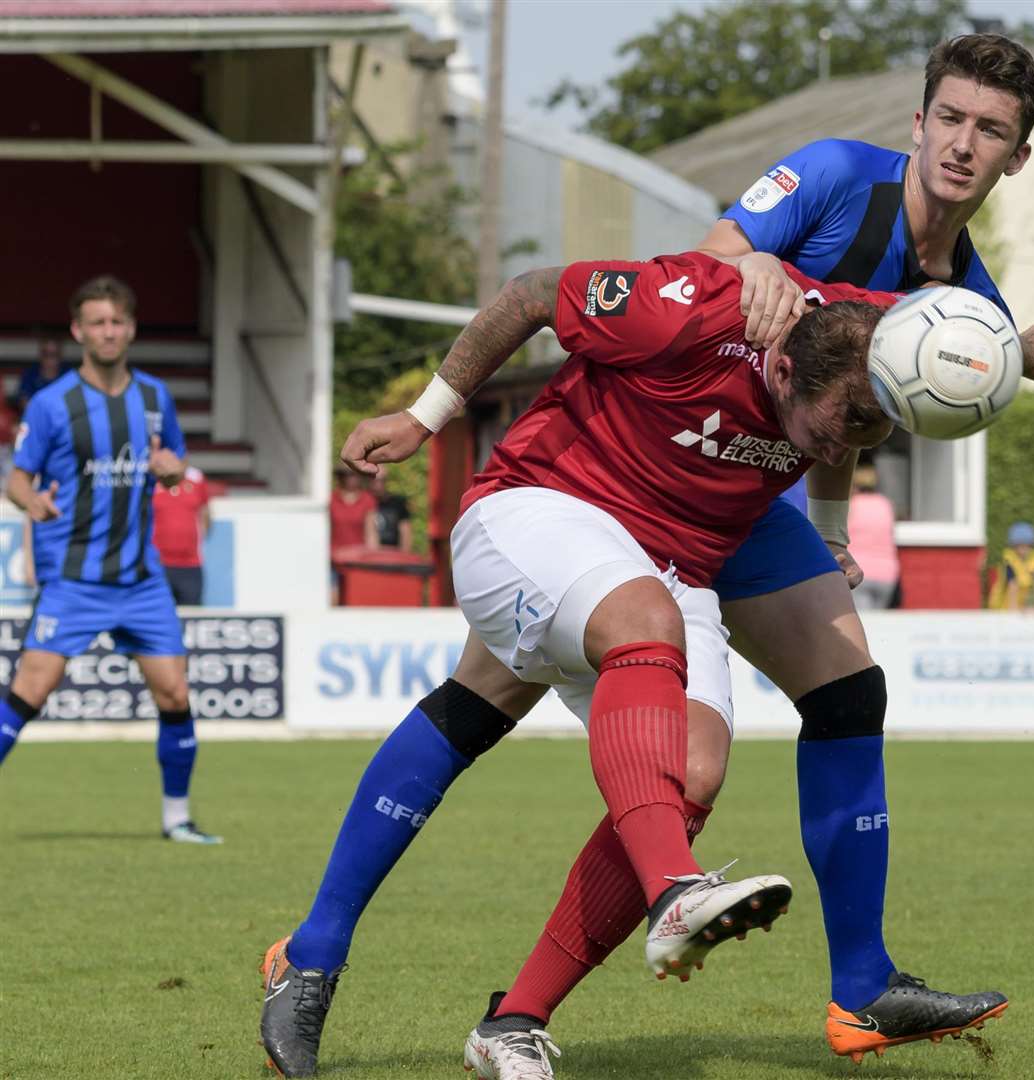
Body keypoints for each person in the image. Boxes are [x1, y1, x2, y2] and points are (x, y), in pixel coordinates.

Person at [261, 33, 1034, 1077]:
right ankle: (325, 947)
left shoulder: (955, 309)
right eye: (954, 120)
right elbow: (704, 274)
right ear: (918, 121)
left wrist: (1024, 364)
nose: (966, 146)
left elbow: (856, 407)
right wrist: (740, 264)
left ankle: (859, 986)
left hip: (734, 498)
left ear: (1018, 157)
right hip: (611, 468)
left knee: (836, 696)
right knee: (493, 693)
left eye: (993, 133)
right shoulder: (838, 178)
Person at [260, 252, 900, 1077]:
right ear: (780, 367)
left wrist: (1025, 351)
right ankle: (673, 888)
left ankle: (509, 1019)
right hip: (539, 507)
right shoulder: (691, 310)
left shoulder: (857, 340)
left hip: (673, 567)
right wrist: (424, 418)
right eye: (830, 429)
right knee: (633, 624)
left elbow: (944, 348)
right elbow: (529, 292)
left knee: (686, 773)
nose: (836, 448)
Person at [0, 275, 220, 844]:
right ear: (78, 331)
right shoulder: (52, 405)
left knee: (175, 693)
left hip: (141, 580)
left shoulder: (154, 397)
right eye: (96, 322)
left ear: (131, 329)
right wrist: (33, 501)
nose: (107, 331)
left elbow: (173, 459)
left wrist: (173, 470)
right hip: (74, 579)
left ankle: (178, 819)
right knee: (29, 693)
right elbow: (17, 480)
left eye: (116, 322)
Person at [152, 464, 213, 606]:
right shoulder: (150, 479)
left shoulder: (196, 478)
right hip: (158, 565)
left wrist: (195, 541)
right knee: (157, 614)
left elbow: (205, 513)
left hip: (190, 565)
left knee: (191, 616)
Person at [846, 464, 900, 609]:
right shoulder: (885, 504)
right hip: (887, 574)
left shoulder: (852, 505)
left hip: (859, 571)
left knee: (865, 624)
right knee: (879, 625)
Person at [328, 469, 376, 603]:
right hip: (333, 560)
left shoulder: (367, 500)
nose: (350, 478)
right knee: (333, 600)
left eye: (354, 474)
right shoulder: (331, 499)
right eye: (345, 474)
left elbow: (370, 531)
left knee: (356, 600)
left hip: (358, 560)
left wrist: (373, 558)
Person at [988, 521, 1034, 612]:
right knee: (1014, 584)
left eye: (1026, 545)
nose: (1023, 549)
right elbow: (1012, 584)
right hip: (1001, 606)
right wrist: (1014, 611)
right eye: (1020, 546)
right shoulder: (1009, 559)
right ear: (1014, 546)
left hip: (1020, 605)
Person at [13, 336, 68, 414]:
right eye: (46, 354)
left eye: (54, 354)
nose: (49, 359)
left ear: (61, 355)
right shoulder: (30, 374)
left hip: (61, 420)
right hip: (36, 419)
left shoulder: (68, 375)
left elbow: (74, 405)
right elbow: (24, 403)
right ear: (40, 355)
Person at [370, 473, 412, 551]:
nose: (377, 485)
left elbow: (405, 531)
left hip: (393, 554)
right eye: (374, 481)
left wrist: (404, 556)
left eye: (380, 481)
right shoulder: (364, 503)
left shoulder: (397, 503)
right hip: (369, 555)